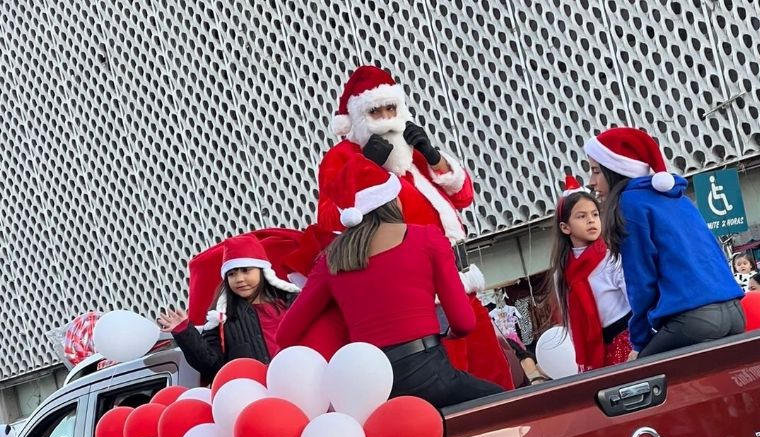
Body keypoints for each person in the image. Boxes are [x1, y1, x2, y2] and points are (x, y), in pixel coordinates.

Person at [309, 64, 513, 390]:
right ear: (356, 120)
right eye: (377, 111)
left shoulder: (409, 151)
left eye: (392, 108)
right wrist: (367, 169)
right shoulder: (342, 157)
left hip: (458, 278)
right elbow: (330, 219)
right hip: (414, 289)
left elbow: (463, 196)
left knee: (492, 372)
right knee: (453, 379)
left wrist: (434, 157)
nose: (388, 117)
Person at [277, 159, 503, 407]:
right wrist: (450, 332)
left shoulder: (331, 260)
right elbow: (464, 322)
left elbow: (286, 333)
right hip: (430, 372)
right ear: (393, 199)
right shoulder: (427, 238)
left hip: (371, 389)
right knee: (506, 406)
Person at [585, 127, 745, 357]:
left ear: (616, 169)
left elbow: (640, 280)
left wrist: (639, 343)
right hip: (734, 312)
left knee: (641, 380)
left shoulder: (630, 203)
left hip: (692, 319)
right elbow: (714, 254)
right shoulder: (679, 198)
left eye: (596, 171)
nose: (591, 181)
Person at [158, 235, 300, 380]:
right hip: (256, 395)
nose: (239, 279)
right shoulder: (220, 318)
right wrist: (184, 332)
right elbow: (211, 365)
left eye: (246, 270)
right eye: (232, 274)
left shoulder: (293, 302)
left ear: (262, 270)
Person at [545, 175, 631, 371]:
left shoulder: (611, 257)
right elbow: (571, 323)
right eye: (581, 216)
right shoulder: (562, 273)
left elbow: (634, 299)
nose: (591, 221)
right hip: (597, 349)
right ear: (565, 227)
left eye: (594, 214)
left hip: (627, 340)